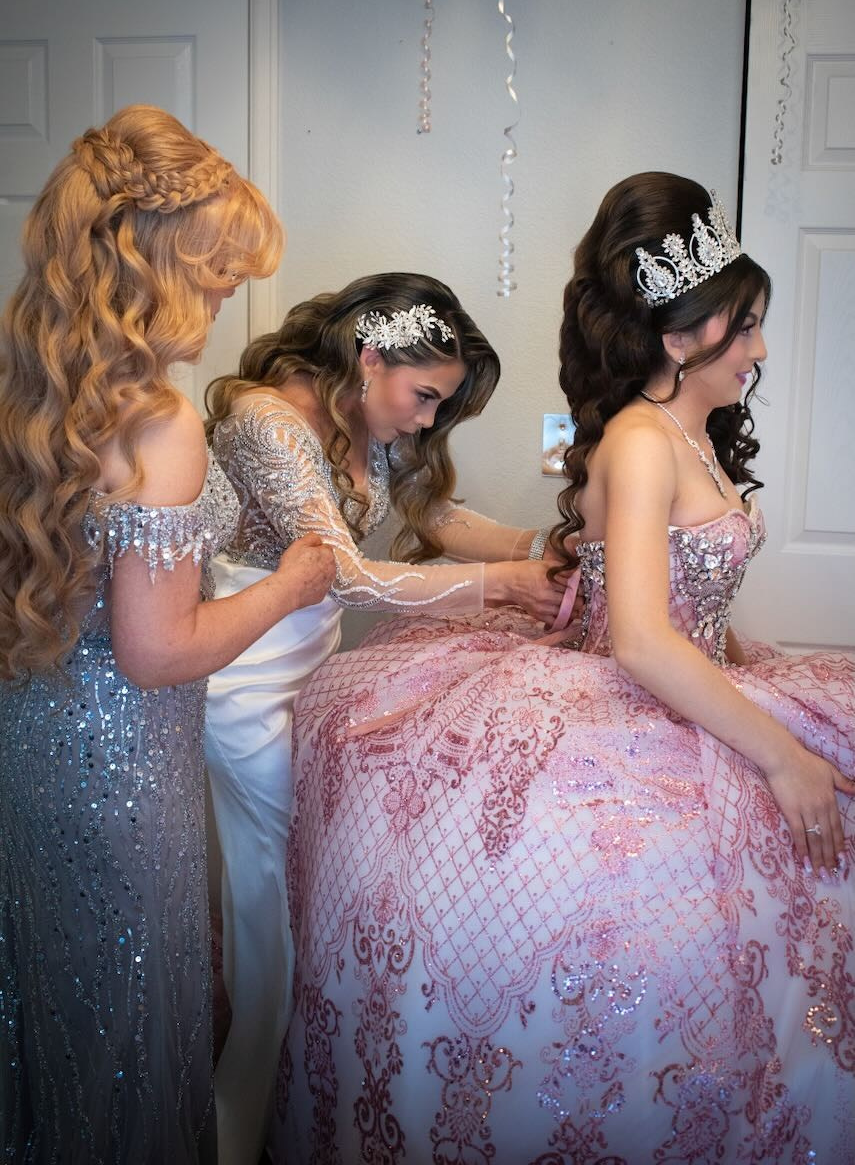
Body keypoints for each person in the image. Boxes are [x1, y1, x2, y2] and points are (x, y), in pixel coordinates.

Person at [273, 175, 855, 1163]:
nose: (759, 349)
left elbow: (686, 603)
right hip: (623, 701)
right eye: (747, 325)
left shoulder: (686, 432)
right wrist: (779, 755)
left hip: (693, 683)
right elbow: (642, 640)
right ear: (680, 335)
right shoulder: (640, 441)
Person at [0, 105, 334, 1165]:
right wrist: (291, 585)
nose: (232, 292)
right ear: (159, 261)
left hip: (29, 744)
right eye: (221, 270)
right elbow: (159, 650)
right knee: (126, 1022)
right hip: (120, 774)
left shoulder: (27, 387)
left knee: (52, 1002)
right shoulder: (159, 421)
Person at [203, 271, 570, 1165]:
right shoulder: (267, 420)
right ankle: (237, 1122)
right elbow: (348, 575)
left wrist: (548, 549)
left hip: (311, 676)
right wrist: (502, 585)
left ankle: (289, 1100)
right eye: (424, 396)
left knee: (311, 889)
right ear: (369, 358)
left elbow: (435, 514)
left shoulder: (359, 418)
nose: (424, 421)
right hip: (245, 684)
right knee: (271, 903)